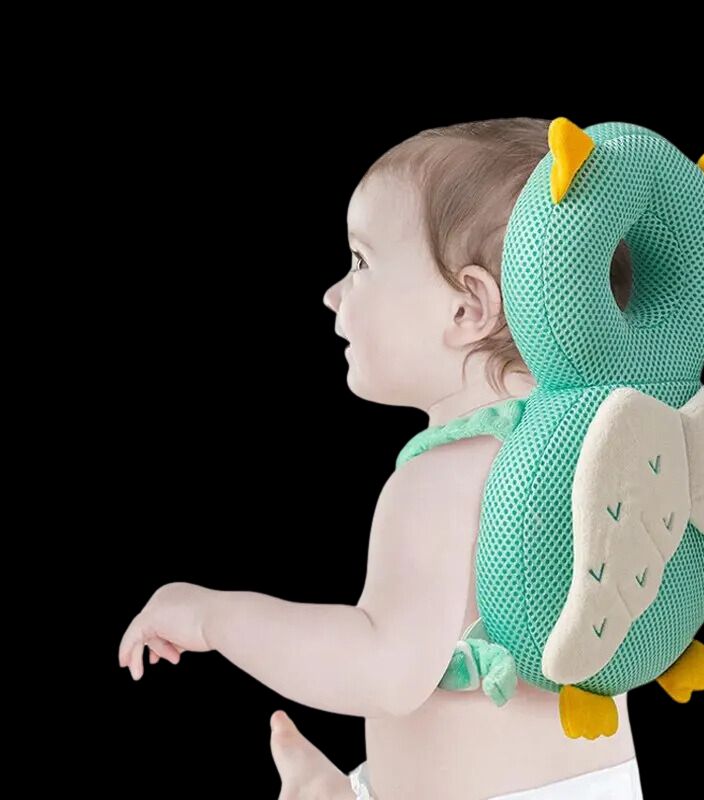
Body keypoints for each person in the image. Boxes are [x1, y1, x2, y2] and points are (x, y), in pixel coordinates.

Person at [118, 117, 642, 799]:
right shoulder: (600, 453)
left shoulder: (442, 479)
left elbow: (384, 666)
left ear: (467, 309)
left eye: (361, 262)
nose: (334, 294)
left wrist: (213, 617)